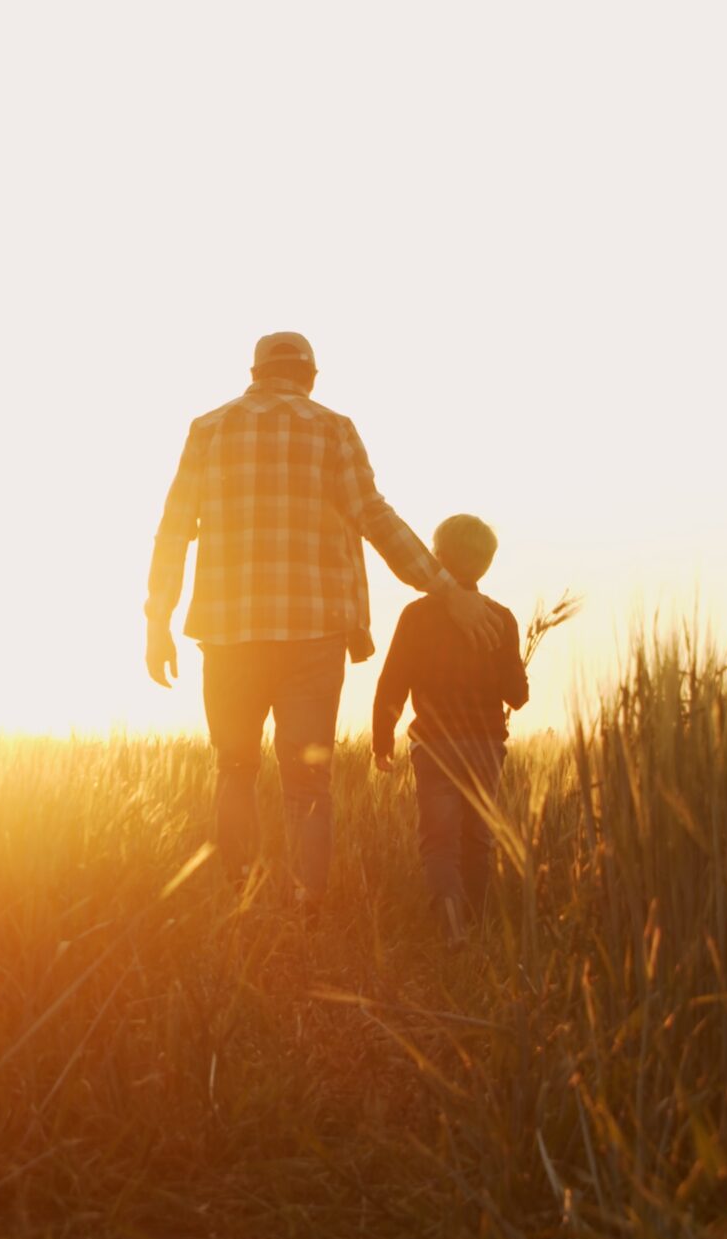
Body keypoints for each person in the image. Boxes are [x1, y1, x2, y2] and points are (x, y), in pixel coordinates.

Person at [146, 332, 495, 917]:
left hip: (229, 636)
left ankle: (243, 899)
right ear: (310, 377)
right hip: (313, 635)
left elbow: (173, 527)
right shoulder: (334, 429)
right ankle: (306, 904)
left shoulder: (208, 429)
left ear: (254, 372)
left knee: (234, 767)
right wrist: (446, 587)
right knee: (307, 781)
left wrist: (158, 618)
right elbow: (374, 517)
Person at [371, 514, 528, 945]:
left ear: (437, 557)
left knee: (439, 841)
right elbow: (517, 695)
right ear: (487, 564)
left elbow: (392, 682)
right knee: (479, 838)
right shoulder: (501, 619)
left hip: (435, 747)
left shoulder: (416, 616)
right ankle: (475, 924)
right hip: (485, 746)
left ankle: (451, 926)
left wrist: (381, 740)